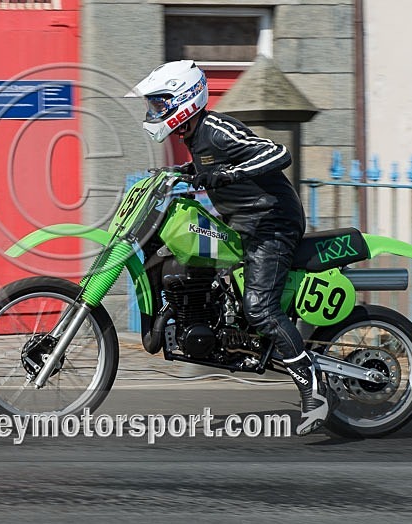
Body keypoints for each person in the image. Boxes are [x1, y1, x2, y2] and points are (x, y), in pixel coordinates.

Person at [127, 60, 332, 435]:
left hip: (272, 222)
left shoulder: (216, 128)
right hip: (242, 223)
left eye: (159, 104)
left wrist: (231, 174)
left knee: (259, 306)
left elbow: (277, 152)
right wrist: (182, 175)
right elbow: (210, 167)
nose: (153, 112)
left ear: (183, 100)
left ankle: (313, 388)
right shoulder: (192, 138)